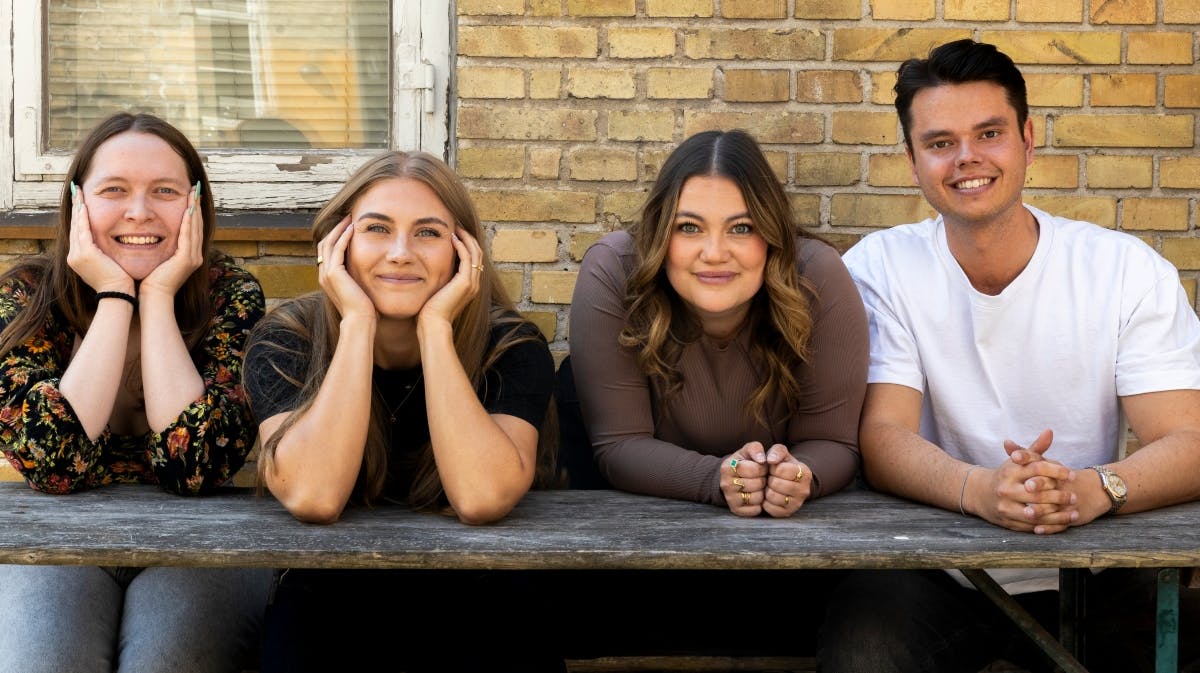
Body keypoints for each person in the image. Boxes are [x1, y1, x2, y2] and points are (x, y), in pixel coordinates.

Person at [819, 39, 1200, 673]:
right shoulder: (880, 269)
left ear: (1027, 139)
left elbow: (1188, 440)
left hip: (1096, 562)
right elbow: (882, 436)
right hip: (933, 566)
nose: (967, 158)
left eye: (989, 133)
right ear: (912, 161)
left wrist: (1091, 489)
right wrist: (983, 489)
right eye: (940, 142)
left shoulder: (1123, 270)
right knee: (864, 649)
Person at [242, 149, 562, 672]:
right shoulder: (286, 340)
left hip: (483, 591)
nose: (399, 253)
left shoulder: (510, 347)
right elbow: (313, 496)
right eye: (377, 229)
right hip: (328, 592)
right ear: (338, 243)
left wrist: (436, 329)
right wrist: (357, 323)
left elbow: (482, 498)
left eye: (428, 233)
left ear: (464, 251)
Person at [556, 128, 869, 658]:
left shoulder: (816, 275)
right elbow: (619, 444)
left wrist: (798, 476)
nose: (715, 253)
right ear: (661, 232)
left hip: (783, 558)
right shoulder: (615, 270)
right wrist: (717, 478)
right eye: (689, 227)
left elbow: (834, 441)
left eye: (741, 228)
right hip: (637, 547)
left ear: (771, 235)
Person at [0, 112, 270, 673]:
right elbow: (54, 465)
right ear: (77, 203)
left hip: (202, 543)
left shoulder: (230, 295)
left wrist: (160, 296)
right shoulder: (27, 296)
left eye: (165, 191)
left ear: (196, 204)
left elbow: (195, 469)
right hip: (53, 543)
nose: (140, 211)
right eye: (114, 190)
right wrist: (116, 296)